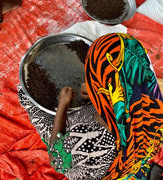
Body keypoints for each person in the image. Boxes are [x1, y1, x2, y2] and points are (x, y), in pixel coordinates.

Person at [18, 33, 163, 179]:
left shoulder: (91, 140)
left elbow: (56, 161)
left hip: (100, 164)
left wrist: (63, 104)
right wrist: (97, 93)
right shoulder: (153, 101)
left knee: (25, 95)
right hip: (133, 155)